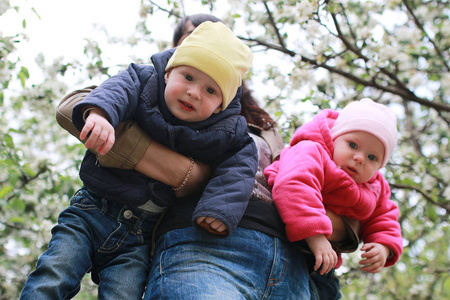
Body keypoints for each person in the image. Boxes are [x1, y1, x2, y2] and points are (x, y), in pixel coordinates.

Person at [53, 14, 359, 299]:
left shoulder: (266, 126)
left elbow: (312, 186)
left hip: (288, 260)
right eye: (193, 43)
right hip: (204, 242)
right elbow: (73, 108)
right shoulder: (155, 100)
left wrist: (335, 224)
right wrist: (188, 175)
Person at [20, 21, 257, 299]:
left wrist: (218, 208)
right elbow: (118, 90)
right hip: (92, 210)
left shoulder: (225, 131)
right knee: (53, 275)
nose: (194, 92)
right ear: (168, 73)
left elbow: (241, 163)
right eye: (189, 77)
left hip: (140, 236)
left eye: (211, 91)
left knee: (124, 294)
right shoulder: (145, 81)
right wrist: (100, 114)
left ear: (220, 106)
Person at [264, 98, 403, 278]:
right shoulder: (312, 151)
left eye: (372, 157)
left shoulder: (374, 188)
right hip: (285, 236)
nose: (360, 158)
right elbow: (294, 185)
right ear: (334, 138)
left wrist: (383, 247)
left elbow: (384, 217)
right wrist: (316, 236)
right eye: (352, 145)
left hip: (323, 257)